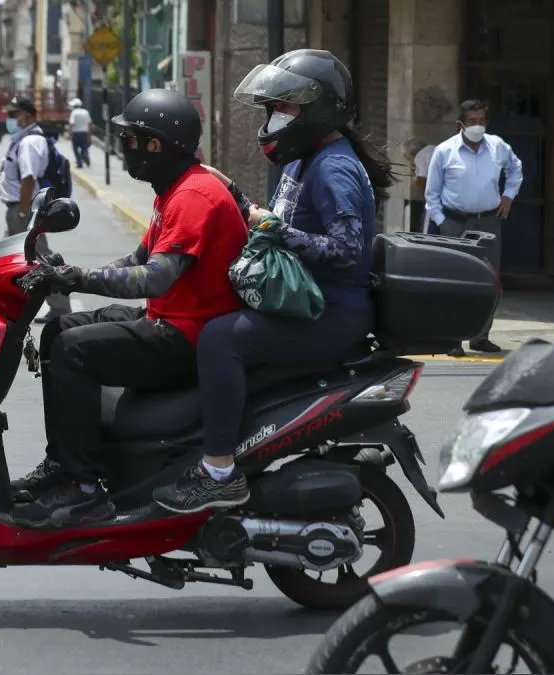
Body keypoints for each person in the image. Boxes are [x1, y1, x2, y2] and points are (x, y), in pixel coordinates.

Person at [150, 49, 396, 513]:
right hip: (303, 301)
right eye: (273, 108)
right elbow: (276, 218)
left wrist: (273, 228)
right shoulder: (304, 159)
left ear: (316, 108)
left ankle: (219, 471)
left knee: (221, 339)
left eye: (284, 107)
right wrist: (234, 196)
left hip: (330, 312)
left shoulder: (334, 168)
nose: (274, 118)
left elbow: (345, 251)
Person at [9, 89, 249, 527]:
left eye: (133, 139)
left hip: (185, 336)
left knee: (73, 351)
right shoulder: (172, 189)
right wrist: (67, 271)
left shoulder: (194, 195)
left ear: (156, 144)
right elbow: (138, 259)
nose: (126, 148)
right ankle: (64, 463)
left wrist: (80, 279)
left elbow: (156, 277)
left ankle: (81, 488)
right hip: (165, 318)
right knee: (57, 331)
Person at [424, 99, 523, 356]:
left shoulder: (498, 147)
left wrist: (509, 195)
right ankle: (454, 338)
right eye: (472, 122)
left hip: (489, 221)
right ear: (461, 124)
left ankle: (481, 336)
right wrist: (442, 223)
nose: (477, 126)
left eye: (482, 121)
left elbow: (516, 169)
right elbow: (431, 194)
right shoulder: (445, 151)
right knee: (456, 282)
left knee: (489, 281)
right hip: (455, 222)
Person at [0, 96, 72, 323]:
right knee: (2, 257)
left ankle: (60, 308)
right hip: (22, 208)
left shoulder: (29, 142)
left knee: (41, 259)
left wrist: (23, 212)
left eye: (13, 114)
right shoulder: (24, 138)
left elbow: (28, 178)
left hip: (24, 209)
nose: (9, 119)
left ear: (26, 116)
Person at [68, 98, 93, 169]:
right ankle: (85, 156)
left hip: (76, 134)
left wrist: (70, 134)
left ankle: (79, 163)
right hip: (85, 133)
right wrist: (89, 135)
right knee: (84, 147)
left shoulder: (74, 113)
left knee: (75, 149)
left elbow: (71, 124)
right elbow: (90, 124)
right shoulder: (85, 112)